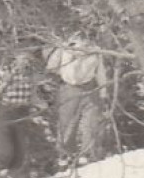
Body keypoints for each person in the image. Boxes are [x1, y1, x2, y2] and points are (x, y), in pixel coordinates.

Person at [0, 49, 46, 178]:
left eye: (28, 60)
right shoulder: (6, 72)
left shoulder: (31, 76)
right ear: (16, 59)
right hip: (5, 111)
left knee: (20, 151)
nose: (25, 63)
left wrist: (41, 105)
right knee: (5, 149)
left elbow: (32, 95)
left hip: (22, 112)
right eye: (23, 59)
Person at [46, 32, 109, 164]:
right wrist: (61, 50)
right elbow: (51, 67)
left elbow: (101, 72)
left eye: (85, 37)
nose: (82, 40)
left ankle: (87, 154)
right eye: (78, 38)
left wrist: (103, 93)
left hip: (90, 87)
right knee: (67, 123)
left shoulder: (95, 51)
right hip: (69, 88)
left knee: (89, 121)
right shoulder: (65, 48)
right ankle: (65, 154)